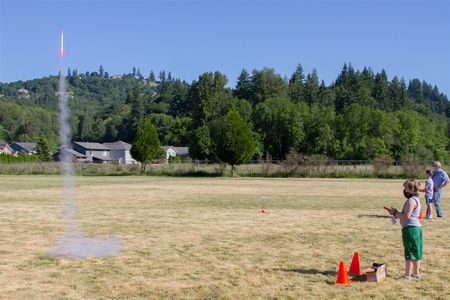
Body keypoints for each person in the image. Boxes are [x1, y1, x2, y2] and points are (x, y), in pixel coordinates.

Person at [386, 180, 422, 279]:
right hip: (415, 229)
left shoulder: (411, 200)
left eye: (405, 188)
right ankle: (416, 274)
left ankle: (407, 275)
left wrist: (394, 213)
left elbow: (406, 216)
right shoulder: (415, 199)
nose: (404, 190)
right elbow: (405, 214)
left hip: (410, 230)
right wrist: (396, 213)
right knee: (416, 251)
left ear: (411, 189)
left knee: (409, 252)